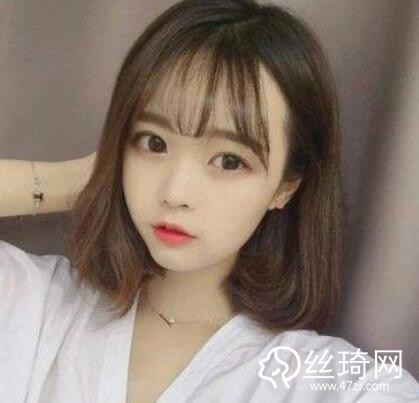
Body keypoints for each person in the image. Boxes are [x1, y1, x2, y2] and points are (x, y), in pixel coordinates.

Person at [1, 0, 419, 402]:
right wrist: (95, 179)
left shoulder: (332, 382)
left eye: (229, 161)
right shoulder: (36, 306)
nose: (175, 193)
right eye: (153, 143)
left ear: (286, 186)